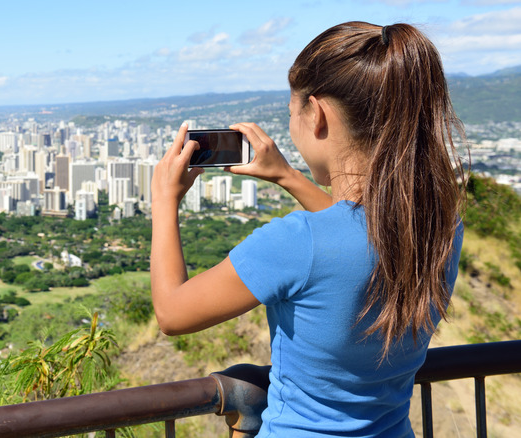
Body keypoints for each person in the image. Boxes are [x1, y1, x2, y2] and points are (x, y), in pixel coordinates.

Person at [150, 21, 465, 437]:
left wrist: (163, 201)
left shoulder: (296, 243)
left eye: (293, 110)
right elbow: (357, 235)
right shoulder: (439, 228)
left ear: (317, 115)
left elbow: (172, 313)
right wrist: (288, 177)